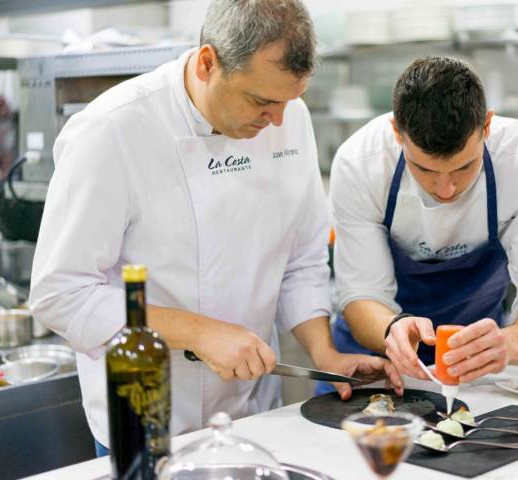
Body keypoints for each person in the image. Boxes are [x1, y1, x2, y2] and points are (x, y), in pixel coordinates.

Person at [29, 0, 401, 456]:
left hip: (251, 416)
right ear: (208, 62)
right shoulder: (111, 131)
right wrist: (201, 332)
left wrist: (324, 353)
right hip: (144, 415)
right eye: (261, 101)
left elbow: (301, 259)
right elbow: (60, 293)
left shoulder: (289, 118)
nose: (278, 121)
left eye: (289, 101)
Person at [321, 57, 518, 393]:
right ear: (397, 132)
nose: (446, 190)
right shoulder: (360, 164)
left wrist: (509, 343)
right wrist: (391, 330)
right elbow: (361, 294)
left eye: (463, 168)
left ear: (486, 126)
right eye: (425, 170)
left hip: (477, 368)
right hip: (375, 365)